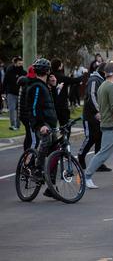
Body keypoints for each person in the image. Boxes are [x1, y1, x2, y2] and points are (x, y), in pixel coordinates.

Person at [27, 59, 58, 199]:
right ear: (47, 71)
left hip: (51, 124)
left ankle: (51, 186)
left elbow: (51, 105)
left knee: (56, 151)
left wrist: (52, 86)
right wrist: (40, 125)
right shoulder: (37, 87)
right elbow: (34, 108)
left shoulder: (45, 86)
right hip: (42, 125)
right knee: (45, 142)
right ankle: (37, 170)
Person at [78, 63, 111, 172]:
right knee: (90, 137)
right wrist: (99, 110)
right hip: (90, 114)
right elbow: (92, 95)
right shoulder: (94, 79)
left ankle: (98, 162)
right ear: (103, 71)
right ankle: (81, 156)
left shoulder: (101, 80)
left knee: (100, 138)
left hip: (98, 114)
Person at [51, 58, 83, 126]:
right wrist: (84, 75)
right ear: (59, 67)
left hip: (53, 105)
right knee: (66, 126)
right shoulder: (61, 76)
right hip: (62, 105)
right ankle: (64, 136)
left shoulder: (50, 76)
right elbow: (75, 80)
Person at [18, 66, 39, 151]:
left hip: (23, 115)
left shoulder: (25, 82)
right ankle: (29, 159)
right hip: (28, 115)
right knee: (34, 140)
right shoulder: (30, 85)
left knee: (29, 136)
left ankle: (26, 155)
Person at [4, 56, 26, 131]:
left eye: (21, 63)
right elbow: (5, 81)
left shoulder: (23, 72)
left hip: (19, 93)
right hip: (11, 93)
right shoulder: (10, 70)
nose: (21, 64)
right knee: (12, 109)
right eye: (19, 63)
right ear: (15, 63)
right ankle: (13, 125)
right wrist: (3, 92)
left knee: (18, 110)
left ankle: (17, 125)